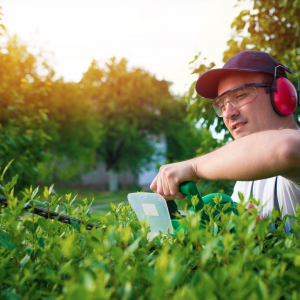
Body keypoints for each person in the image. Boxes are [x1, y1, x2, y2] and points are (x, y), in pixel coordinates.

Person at [150, 51, 300, 229]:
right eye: (222, 105)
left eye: (241, 96)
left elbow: (287, 148)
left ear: (281, 94)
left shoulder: (293, 148)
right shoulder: (247, 178)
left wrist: (193, 167)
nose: (228, 113)